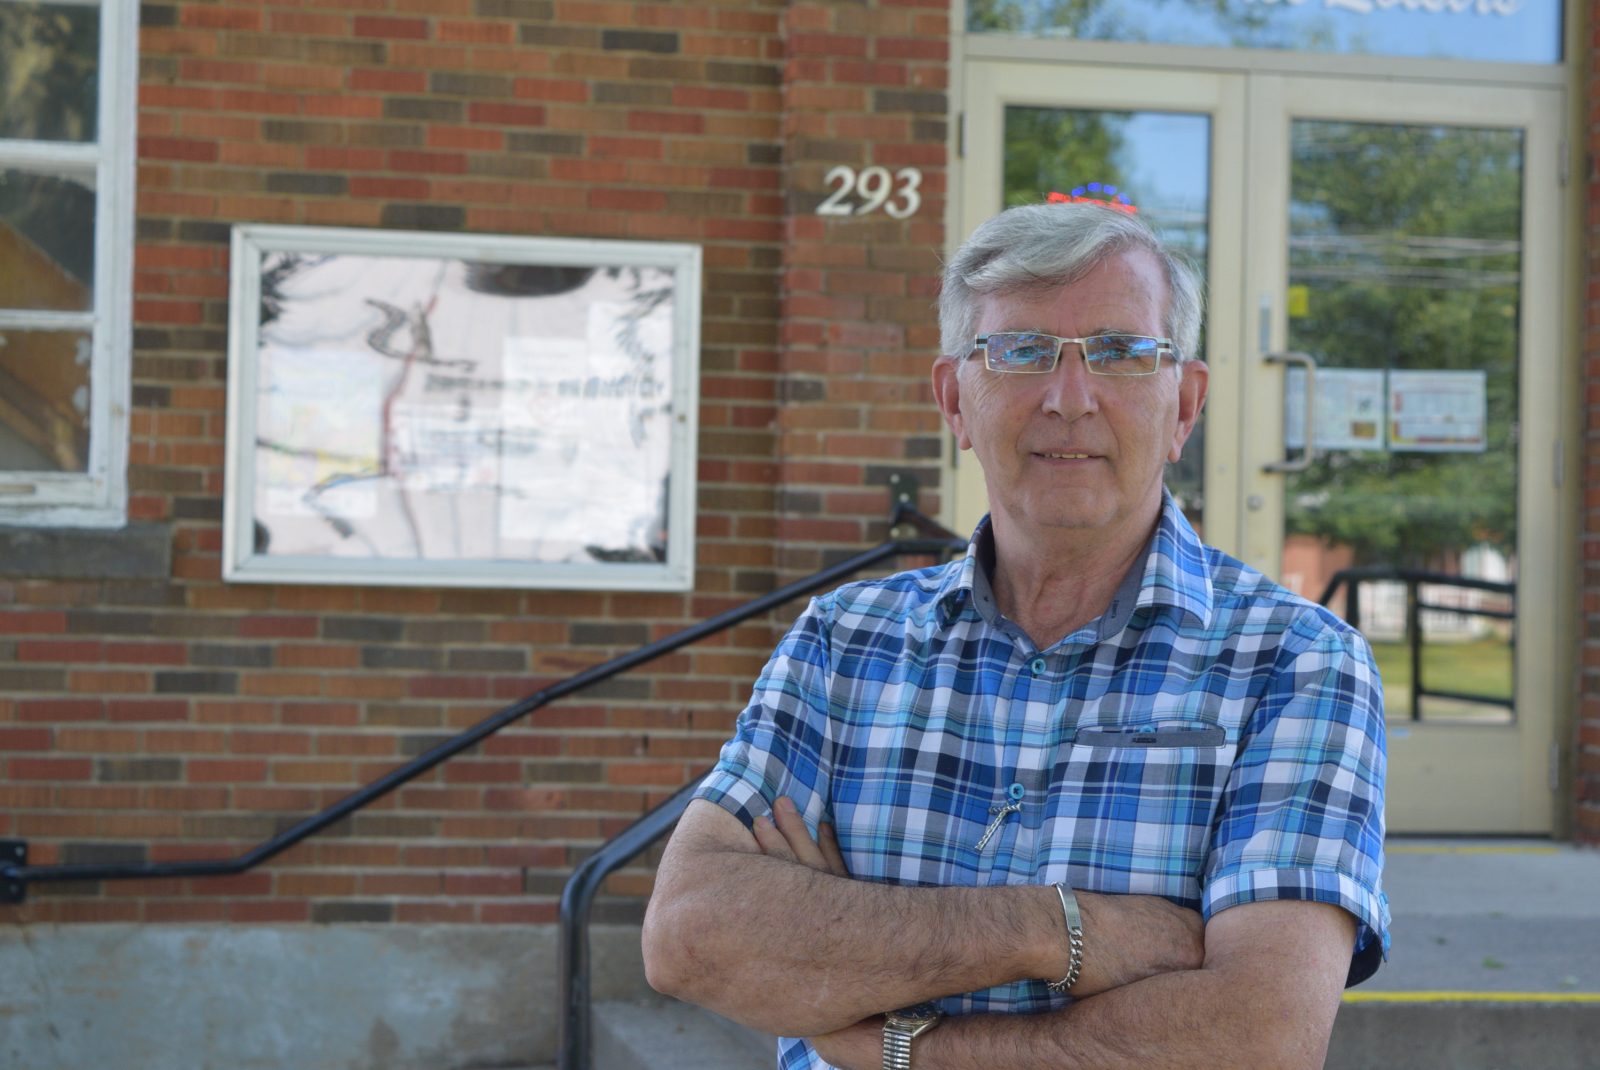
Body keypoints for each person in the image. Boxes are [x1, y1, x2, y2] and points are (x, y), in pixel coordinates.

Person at [642, 201, 1389, 1070]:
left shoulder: (1297, 665)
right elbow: (691, 935)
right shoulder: (844, 642)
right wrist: (1060, 930)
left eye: (1118, 352)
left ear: (1183, 405)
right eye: (1021, 352)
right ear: (955, 399)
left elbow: (1256, 1035)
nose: (1069, 400)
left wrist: (897, 1041)